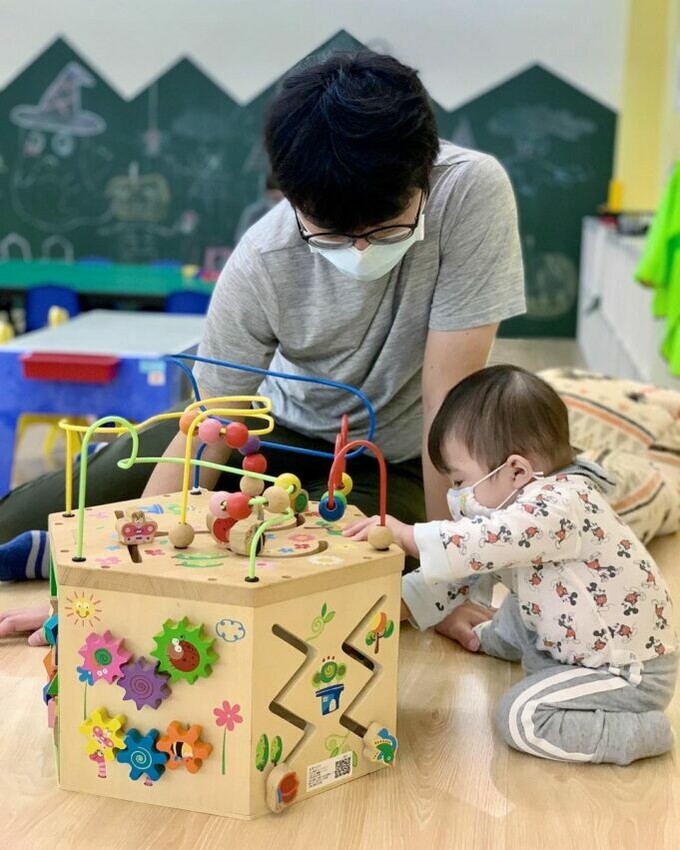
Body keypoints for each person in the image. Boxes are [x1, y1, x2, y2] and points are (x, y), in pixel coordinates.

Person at [0, 50, 524, 645]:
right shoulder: (264, 258)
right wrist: (121, 590)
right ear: (288, 197)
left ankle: (93, 548)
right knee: (23, 519)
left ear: (424, 176)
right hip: (267, 431)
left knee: (362, 577)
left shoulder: (471, 194)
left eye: (383, 231)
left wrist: (440, 584)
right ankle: (66, 549)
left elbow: (448, 402)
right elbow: (212, 423)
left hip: (391, 462)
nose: (358, 252)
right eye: (330, 233)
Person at [345, 365, 678, 764]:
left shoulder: (557, 507)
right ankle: (500, 640)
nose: (456, 497)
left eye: (459, 481)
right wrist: (376, 607)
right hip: (574, 636)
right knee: (515, 610)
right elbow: (458, 573)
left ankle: (644, 731)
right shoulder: (513, 511)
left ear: (516, 471)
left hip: (624, 671)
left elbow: (477, 544)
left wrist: (409, 535)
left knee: (520, 717)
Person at [233, 173, 284, 244]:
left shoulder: (293, 213)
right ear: (267, 193)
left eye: (281, 199)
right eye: (275, 198)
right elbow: (241, 240)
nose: (278, 203)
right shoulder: (254, 213)